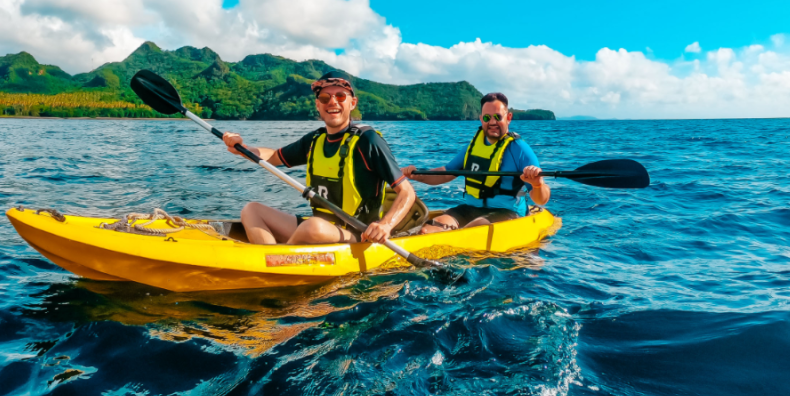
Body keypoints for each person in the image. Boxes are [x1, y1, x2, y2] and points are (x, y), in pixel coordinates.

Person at [220, 72, 417, 245]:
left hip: (358, 234)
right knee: (251, 210)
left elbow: (407, 192)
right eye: (324, 98)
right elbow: (273, 156)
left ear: (352, 103)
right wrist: (243, 149)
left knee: (312, 227)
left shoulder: (369, 141)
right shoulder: (315, 140)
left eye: (340, 96)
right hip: (319, 229)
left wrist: (385, 225)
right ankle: (270, 257)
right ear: (318, 105)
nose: (332, 102)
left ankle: (282, 257)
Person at [403, 92, 549, 231]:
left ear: (508, 117)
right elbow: (446, 172)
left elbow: (542, 199)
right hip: (470, 209)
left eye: (498, 117)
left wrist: (537, 185)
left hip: (507, 213)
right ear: (481, 119)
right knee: (429, 229)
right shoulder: (473, 147)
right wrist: (415, 175)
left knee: (474, 229)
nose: (492, 122)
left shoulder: (520, 150)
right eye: (487, 118)